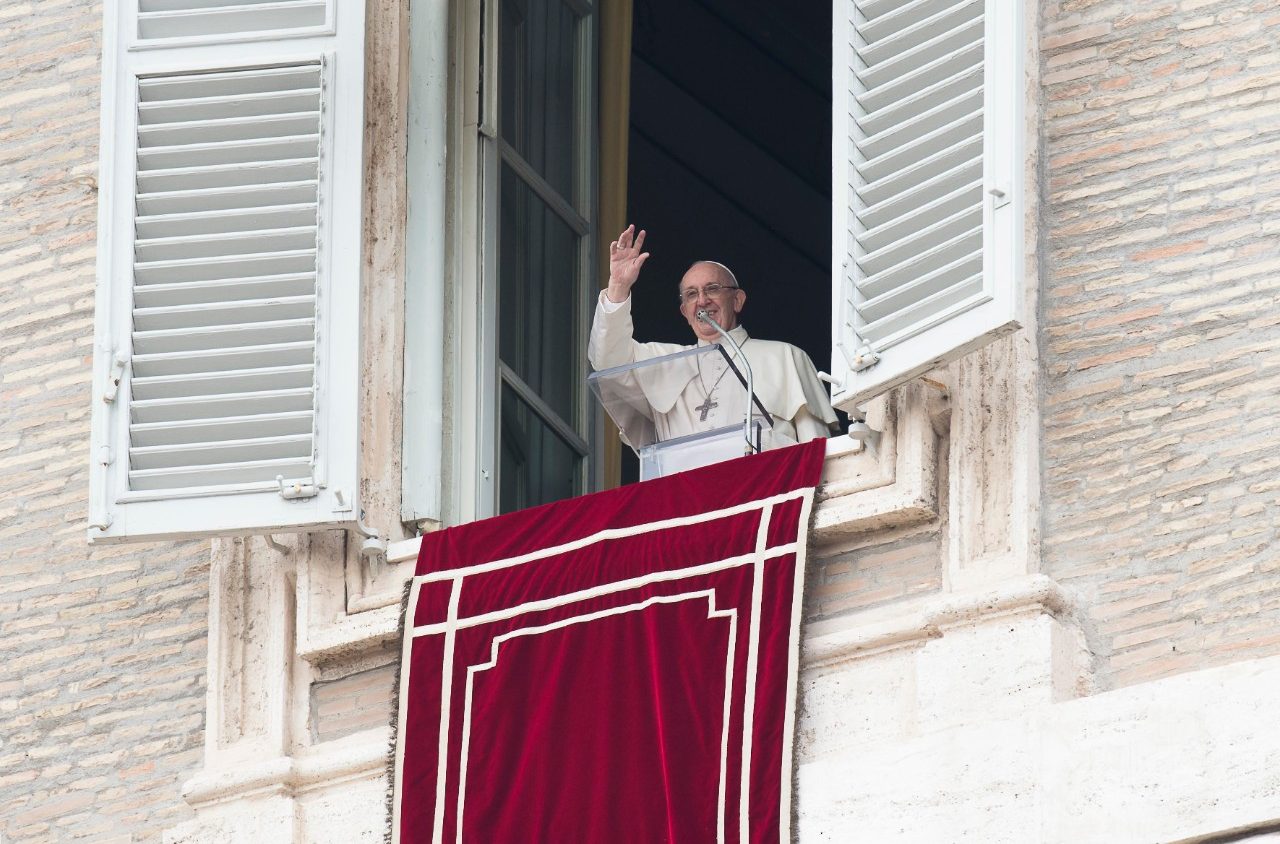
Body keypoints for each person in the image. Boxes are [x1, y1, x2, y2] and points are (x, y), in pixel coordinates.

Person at [588, 224, 837, 447]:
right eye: (691, 294)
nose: (702, 301)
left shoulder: (785, 357)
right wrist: (619, 287)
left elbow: (816, 449)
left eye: (712, 289)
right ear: (684, 311)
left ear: (737, 300)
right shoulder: (664, 361)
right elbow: (607, 361)